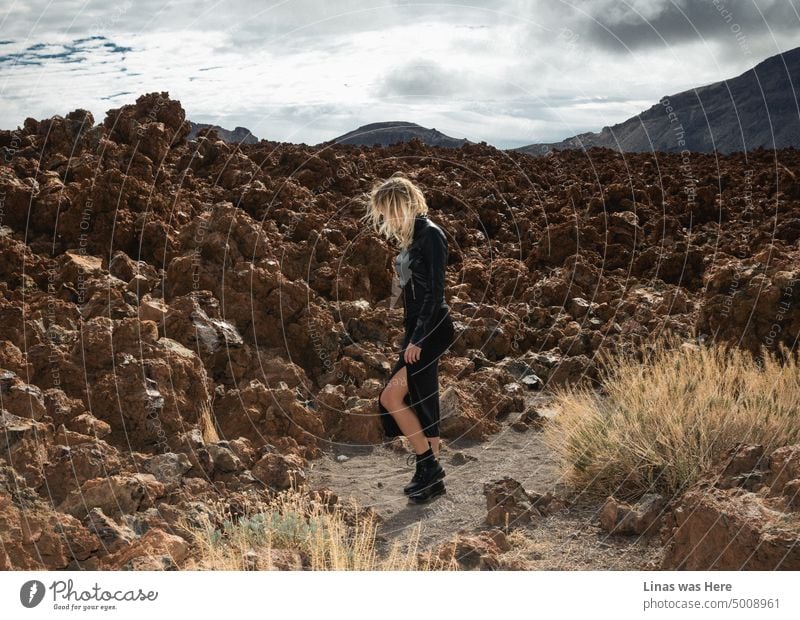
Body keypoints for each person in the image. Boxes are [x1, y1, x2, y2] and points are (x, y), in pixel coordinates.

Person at [360, 172, 455, 504]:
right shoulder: (414, 239)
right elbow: (411, 293)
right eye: (383, 212)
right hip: (417, 331)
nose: (387, 218)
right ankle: (430, 478)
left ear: (405, 203)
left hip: (429, 330)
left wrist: (416, 340)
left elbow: (435, 295)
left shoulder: (431, 235)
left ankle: (429, 467)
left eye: (390, 209)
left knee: (390, 399)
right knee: (423, 400)